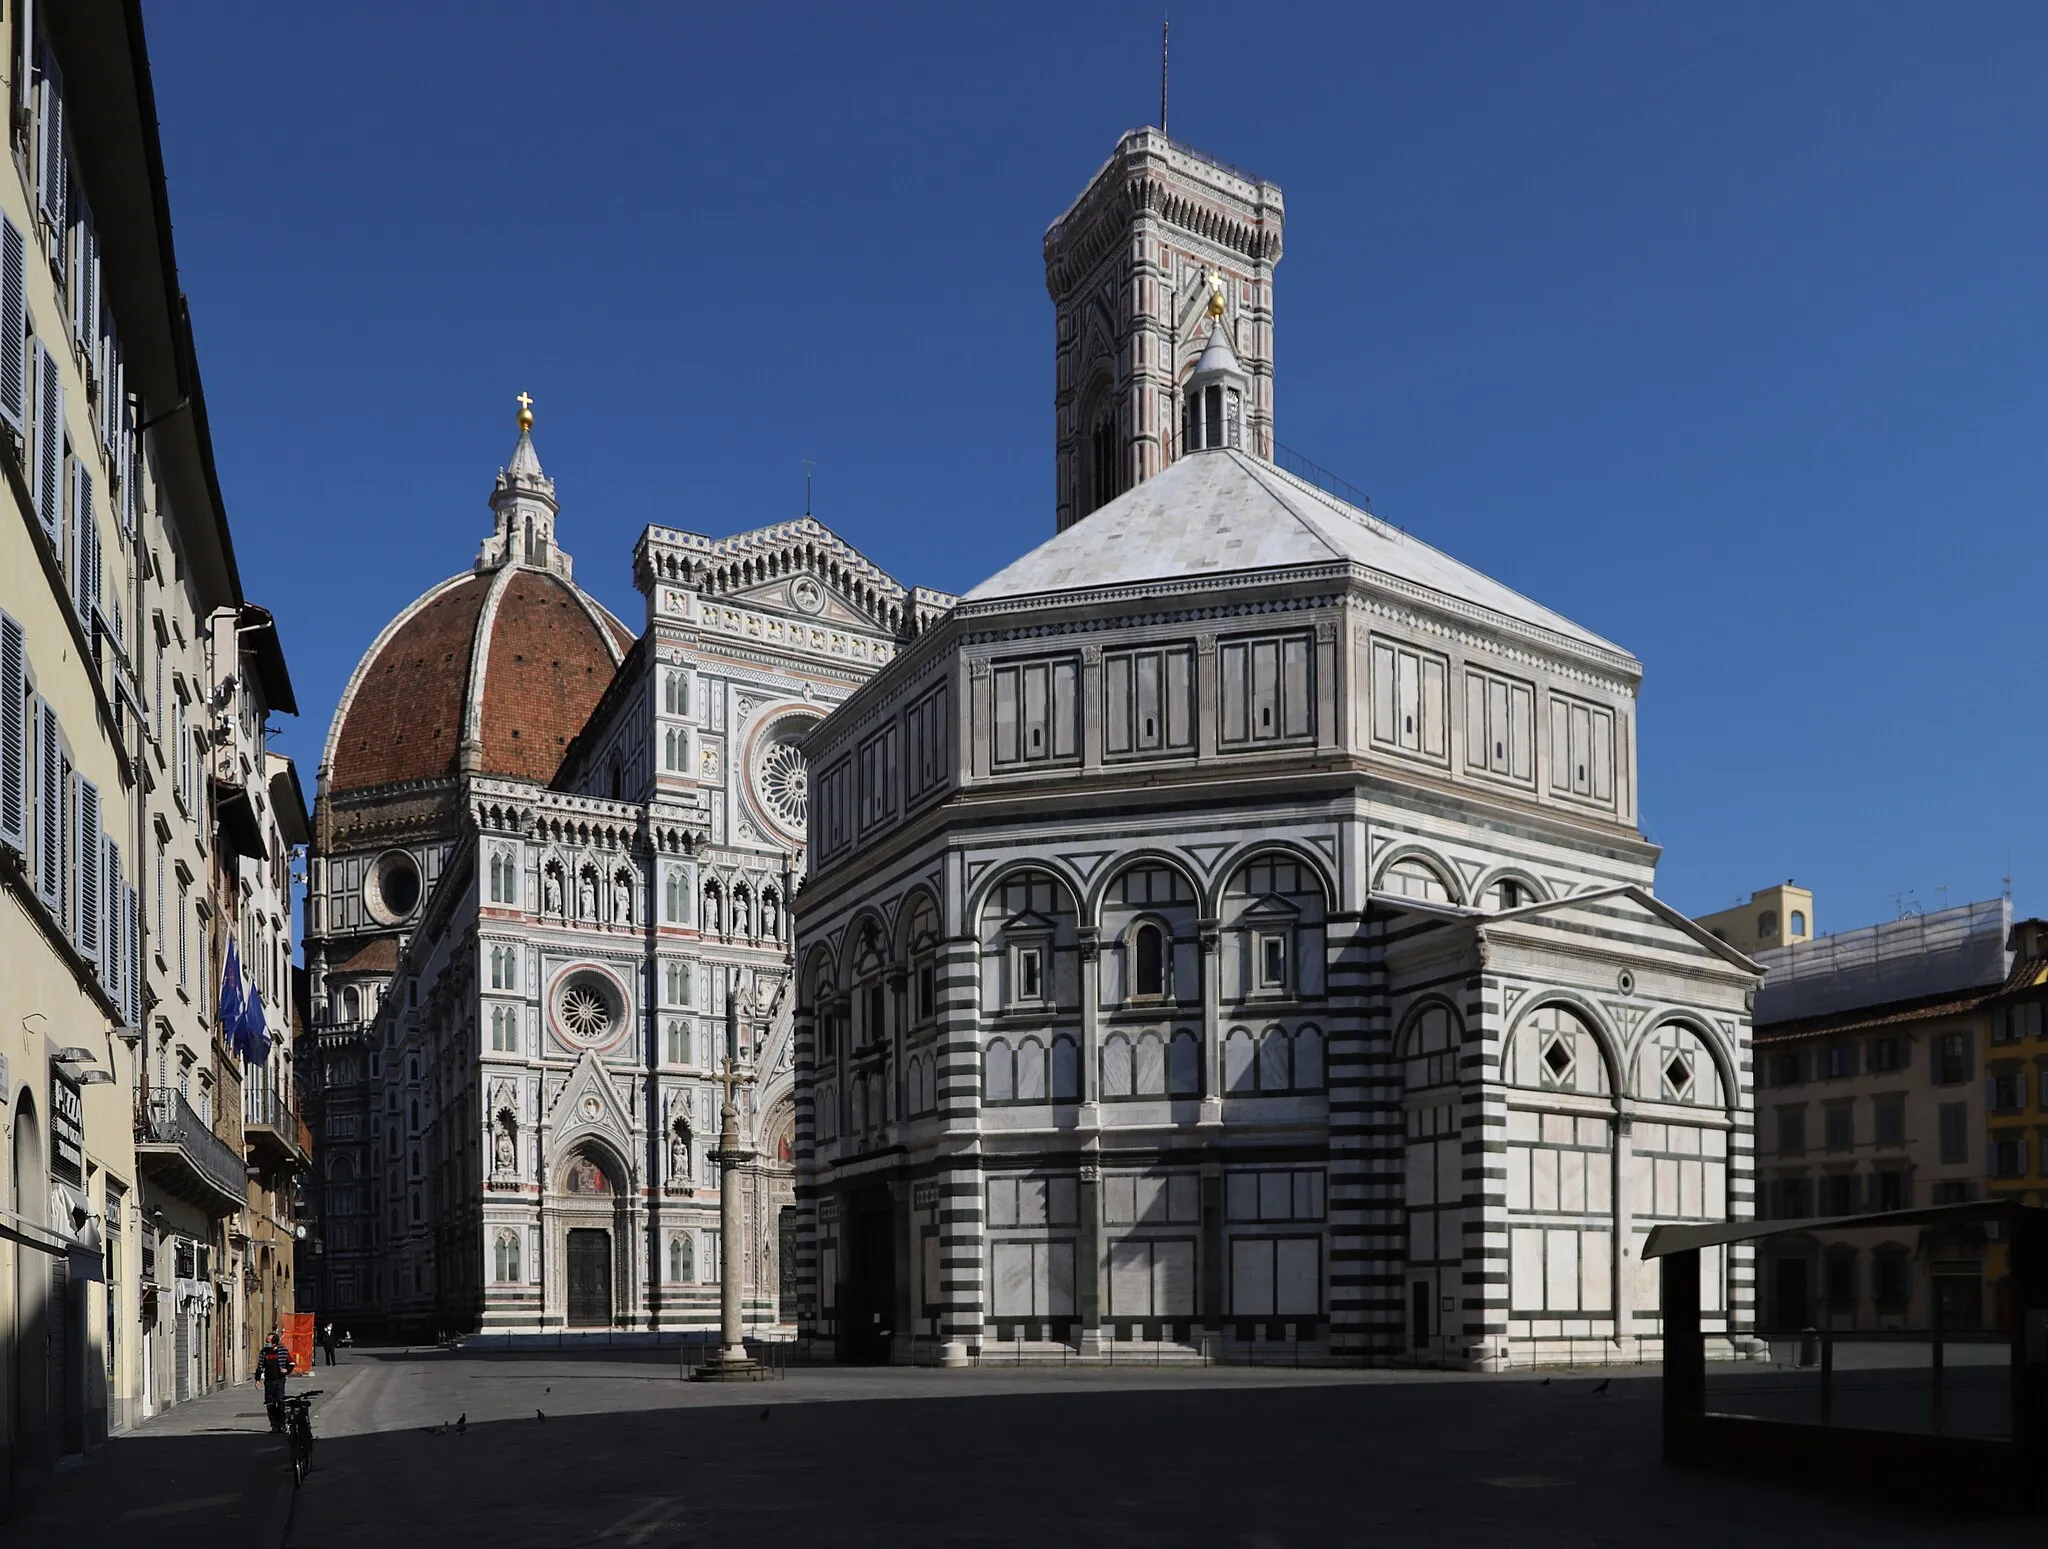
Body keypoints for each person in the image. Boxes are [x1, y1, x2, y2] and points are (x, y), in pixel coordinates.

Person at [257, 1331, 293, 1431]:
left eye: (268, 1341)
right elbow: (260, 1366)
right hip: (268, 1381)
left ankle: (282, 1424)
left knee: (281, 1402)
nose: (266, 1343)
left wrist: (287, 1370)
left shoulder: (283, 1351)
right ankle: (274, 1425)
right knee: (270, 1403)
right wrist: (257, 1380)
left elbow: (292, 1363)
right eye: (266, 1341)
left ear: (274, 1342)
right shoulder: (264, 1352)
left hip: (279, 1380)